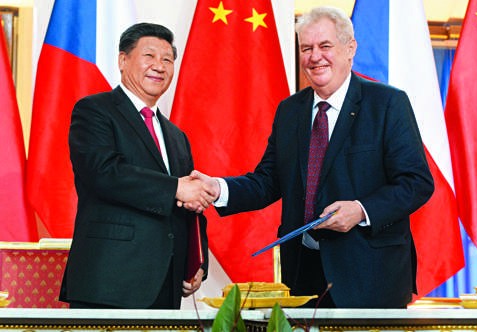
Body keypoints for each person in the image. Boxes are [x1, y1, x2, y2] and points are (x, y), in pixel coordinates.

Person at [189, 6, 434, 308]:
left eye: (325, 46)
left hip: (371, 276)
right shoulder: (290, 111)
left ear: (350, 49)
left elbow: (417, 182)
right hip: (303, 276)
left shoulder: (387, 103)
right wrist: (217, 188)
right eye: (306, 48)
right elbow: (268, 181)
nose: (315, 56)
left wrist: (360, 210)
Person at [59, 23, 216, 309]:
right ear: (122, 60)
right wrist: (176, 187)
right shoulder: (94, 110)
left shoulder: (177, 137)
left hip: (166, 283)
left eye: (167, 59)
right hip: (109, 282)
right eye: (149, 56)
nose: (159, 66)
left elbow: (190, 206)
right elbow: (103, 173)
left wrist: (197, 261)